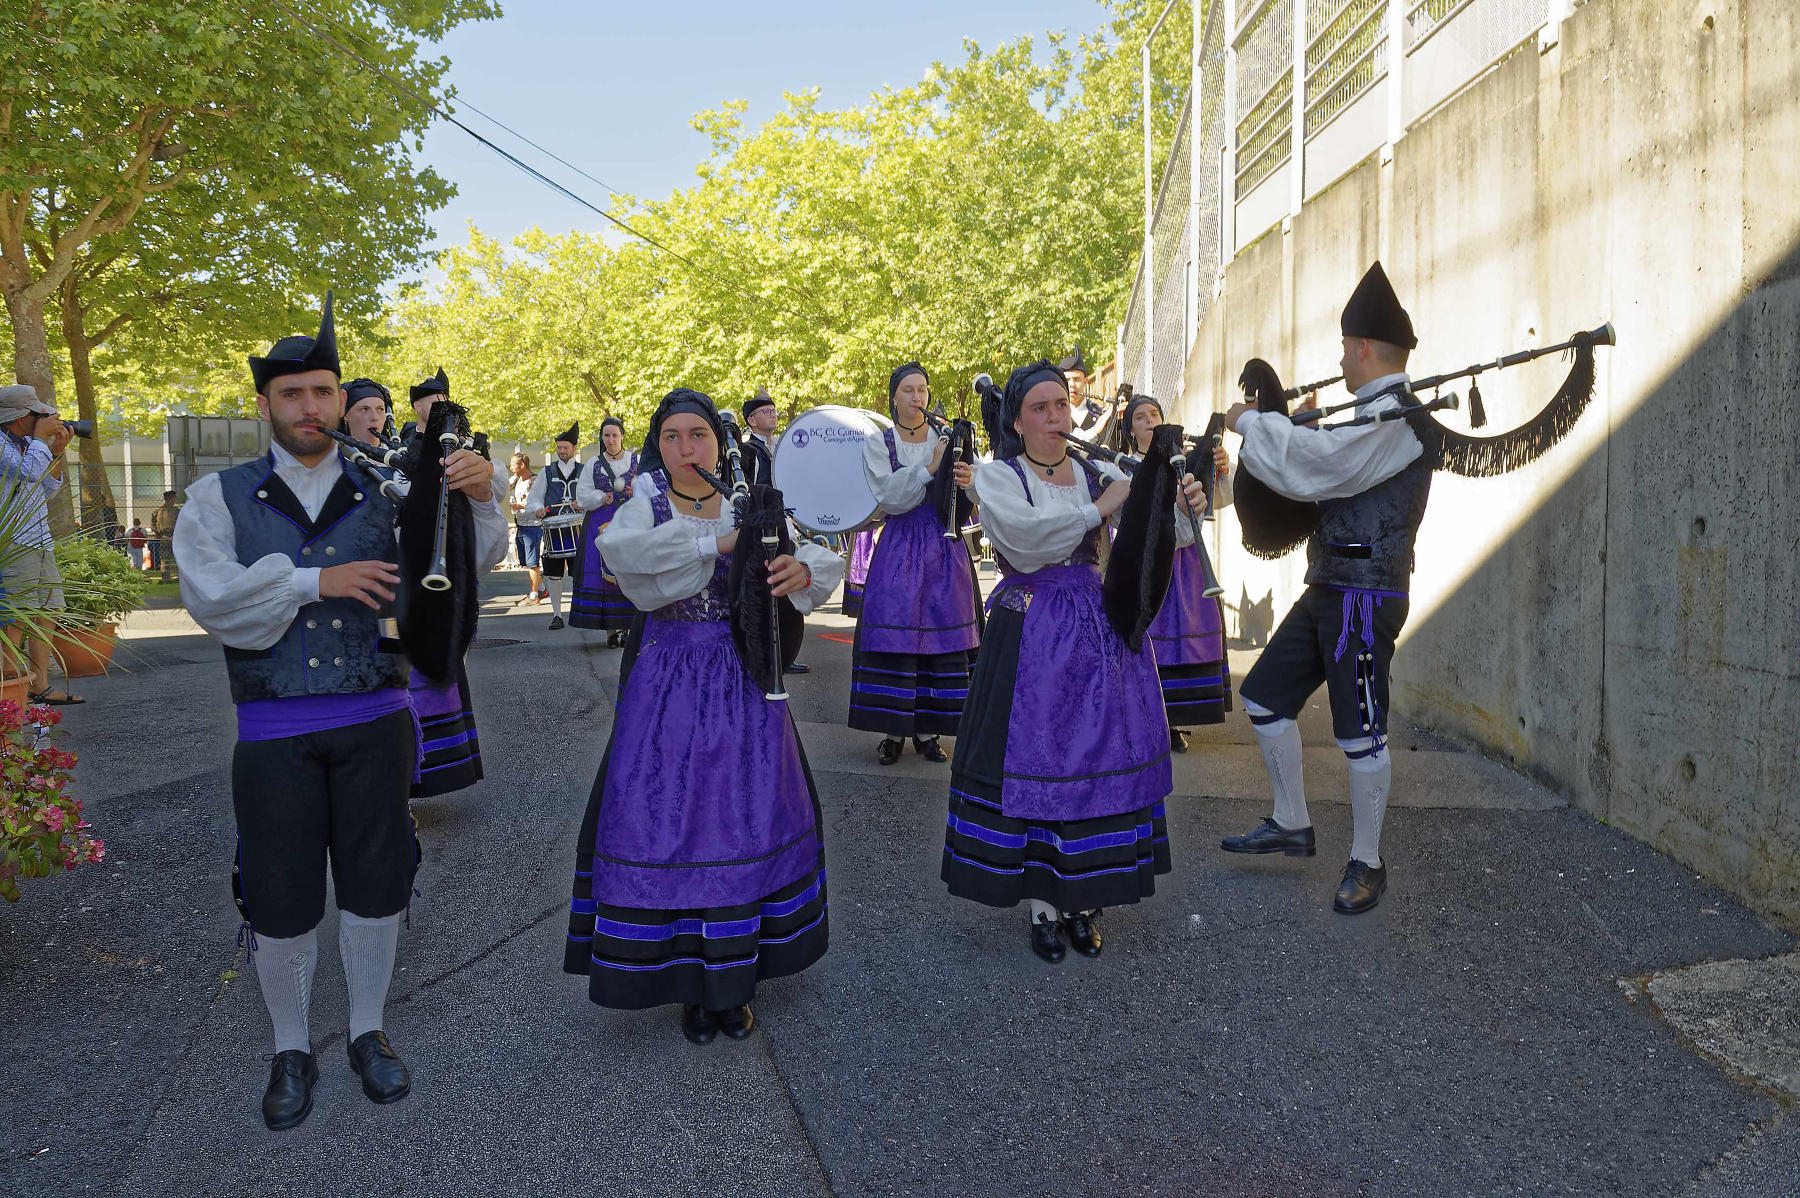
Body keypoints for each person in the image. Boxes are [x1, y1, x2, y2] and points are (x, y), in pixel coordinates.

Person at [173, 294, 507, 1130]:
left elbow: (473, 563)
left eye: (323, 392)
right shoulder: (220, 497)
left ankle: (366, 1031)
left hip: (376, 722)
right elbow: (210, 597)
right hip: (273, 735)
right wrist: (310, 580)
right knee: (281, 897)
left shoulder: (388, 484)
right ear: (266, 407)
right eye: (293, 395)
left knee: (374, 886)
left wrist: (480, 496)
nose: (312, 408)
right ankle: (289, 1045)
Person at [563, 388, 843, 1043]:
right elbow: (624, 559)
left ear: (719, 442)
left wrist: (801, 572)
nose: (687, 449)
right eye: (672, 437)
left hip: (745, 681)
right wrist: (716, 544)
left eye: (698, 436)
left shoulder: (749, 502)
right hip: (669, 684)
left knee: (742, 824)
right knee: (674, 823)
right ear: (657, 444)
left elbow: (815, 556)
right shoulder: (646, 502)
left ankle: (732, 982)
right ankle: (690, 984)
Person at [941, 361, 1206, 963]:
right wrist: (1099, 507)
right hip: (1032, 626)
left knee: (1097, 763)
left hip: (1099, 629)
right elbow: (1028, 542)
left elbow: (1168, 540)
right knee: (1038, 762)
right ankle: (1042, 907)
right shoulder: (997, 476)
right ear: (1017, 420)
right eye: (1041, 408)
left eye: (1061, 405)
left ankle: (1085, 901)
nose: (1056, 417)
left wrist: (1177, 502)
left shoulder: (1100, 468)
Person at [1218, 261, 1431, 916]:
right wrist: (1295, 425)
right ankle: (1290, 819)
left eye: (1344, 348)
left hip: (1366, 597)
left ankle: (1368, 862)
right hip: (1329, 584)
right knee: (1264, 699)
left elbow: (1321, 470)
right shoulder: (1372, 414)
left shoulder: (1396, 419)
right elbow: (1320, 463)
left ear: (1363, 347)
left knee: (1361, 733)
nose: (1340, 359)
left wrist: (1253, 424)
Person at [850, 362, 979, 765]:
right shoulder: (879, 443)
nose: (917, 397)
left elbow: (969, 489)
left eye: (922, 389)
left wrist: (963, 470)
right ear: (894, 396)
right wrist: (930, 466)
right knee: (900, 635)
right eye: (908, 389)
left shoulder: (945, 436)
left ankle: (928, 732)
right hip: (901, 544)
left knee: (940, 636)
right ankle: (893, 732)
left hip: (944, 546)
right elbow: (890, 498)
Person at [1122, 394, 1235, 752]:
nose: (1150, 420)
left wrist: (1220, 469)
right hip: (1146, 567)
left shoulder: (1181, 461)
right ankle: (1144, 717)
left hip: (1186, 568)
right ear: (1131, 431)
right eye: (1141, 417)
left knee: (1184, 642)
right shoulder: (1123, 467)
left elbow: (1220, 499)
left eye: (1155, 414)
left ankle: (1173, 721)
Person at [0, 384, 80, 704]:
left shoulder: (25, 445)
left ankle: (39, 685)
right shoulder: (6, 446)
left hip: (39, 538)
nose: (45, 419)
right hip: (14, 541)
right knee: (17, 614)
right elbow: (30, 472)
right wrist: (40, 441)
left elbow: (46, 488)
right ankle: (10, 688)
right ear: (20, 417)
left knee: (48, 610)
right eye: (38, 415)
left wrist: (57, 450)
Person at [738, 390, 811, 674]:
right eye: (766, 411)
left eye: (773, 410)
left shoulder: (781, 447)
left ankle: (786, 653)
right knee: (765, 589)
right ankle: (764, 653)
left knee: (789, 589)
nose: (773, 414)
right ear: (751, 420)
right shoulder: (747, 452)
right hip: (761, 528)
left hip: (783, 524)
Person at [569, 416, 638, 646]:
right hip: (601, 525)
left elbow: (652, 488)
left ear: (622, 436)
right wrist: (601, 496)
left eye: (614, 435)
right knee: (604, 576)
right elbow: (582, 494)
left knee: (631, 573)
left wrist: (634, 490)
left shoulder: (636, 460)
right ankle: (610, 630)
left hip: (632, 523)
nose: (610, 439)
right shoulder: (594, 464)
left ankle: (630, 628)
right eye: (606, 435)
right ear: (602, 437)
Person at [525, 423, 583, 630]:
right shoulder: (547, 472)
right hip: (553, 531)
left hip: (578, 530)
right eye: (559, 447)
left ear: (574, 448)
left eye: (565, 447)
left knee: (580, 574)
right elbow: (534, 499)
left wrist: (583, 503)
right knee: (554, 574)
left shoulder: (584, 472)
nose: (562, 451)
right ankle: (557, 614)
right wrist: (538, 509)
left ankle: (579, 611)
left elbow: (591, 497)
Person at [508, 453, 544, 604]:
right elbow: (503, 487)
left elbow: (537, 502)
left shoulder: (534, 481)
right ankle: (542, 589)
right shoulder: (516, 480)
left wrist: (519, 506)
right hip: (521, 526)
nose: (510, 468)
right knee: (525, 562)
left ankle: (534, 595)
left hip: (533, 527)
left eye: (512, 465)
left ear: (522, 465)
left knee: (532, 563)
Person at [341, 377, 395, 447]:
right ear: (346, 414)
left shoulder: (401, 455)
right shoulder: (332, 456)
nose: (375, 417)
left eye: (380, 409)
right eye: (365, 409)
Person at [150, 490, 180, 576]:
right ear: (170, 499)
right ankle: (169, 576)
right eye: (173, 498)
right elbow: (153, 525)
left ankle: (173, 576)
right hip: (166, 537)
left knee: (171, 558)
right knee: (166, 557)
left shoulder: (175, 511)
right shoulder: (159, 511)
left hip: (171, 536)